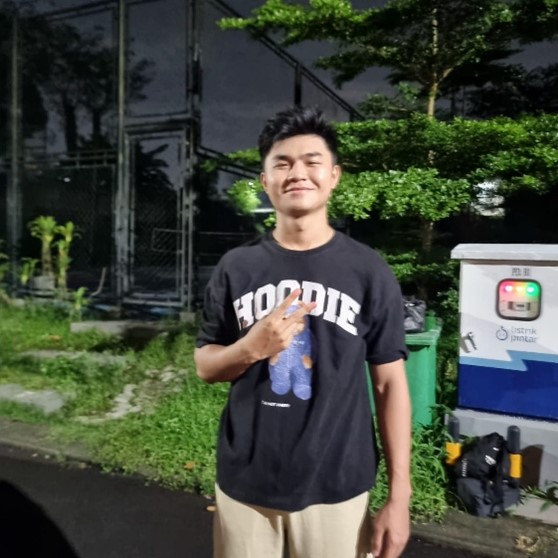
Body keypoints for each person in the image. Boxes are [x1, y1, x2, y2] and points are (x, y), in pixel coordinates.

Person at [194, 106, 412, 558]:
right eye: (282, 163)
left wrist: (400, 496)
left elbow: (389, 384)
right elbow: (205, 366)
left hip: (337, 486)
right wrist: (252, 347)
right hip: (246, 484)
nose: (297, 173)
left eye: (312, 162)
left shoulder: (368, 271)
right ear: (265, 180)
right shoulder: (237, 267)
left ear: (334, 176)